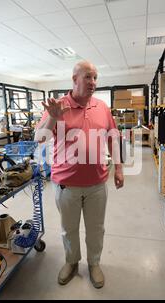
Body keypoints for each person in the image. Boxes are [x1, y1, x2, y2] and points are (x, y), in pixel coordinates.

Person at [35, 61, 124, 288]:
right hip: (66, 184)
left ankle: (94, 263)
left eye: (95, 77)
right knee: (69, 229)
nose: (93, 82)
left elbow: (113, 137)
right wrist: (53, 117)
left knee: (96, 228)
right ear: (75, 79)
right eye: (88, 77)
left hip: (97, 183)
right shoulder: (58, 106)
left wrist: (120, 167)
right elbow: (40, 138)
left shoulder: (102, 107)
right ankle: (71, 262)